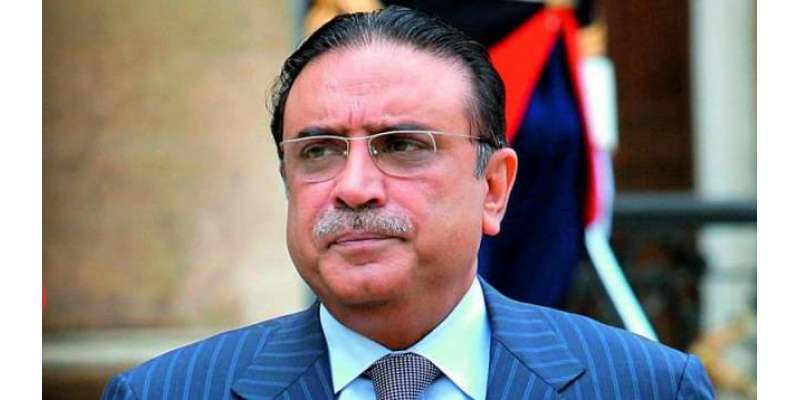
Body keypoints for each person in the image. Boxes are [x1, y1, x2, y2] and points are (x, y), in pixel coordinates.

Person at [102, 6, 714, 399]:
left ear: (494, 188)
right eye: (318, 151)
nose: (354, 187)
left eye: (401, 146)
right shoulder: (166, 393)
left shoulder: (646, 388)